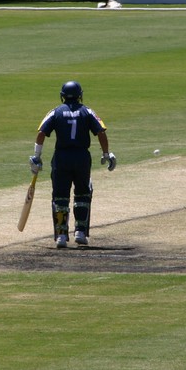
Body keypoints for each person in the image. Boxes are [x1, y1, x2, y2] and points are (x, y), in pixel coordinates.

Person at [29, 81, 116, 248]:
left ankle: (61, 236)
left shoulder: (56, 111)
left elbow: (41, 133)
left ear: (62, 96)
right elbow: (101, 132)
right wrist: (106, 154)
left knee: (60, 196)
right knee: (83, 194)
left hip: (61, 158)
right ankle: (80, 233)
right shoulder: (87, 111)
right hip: (82, 157)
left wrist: (37, 156)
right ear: (80, 95)